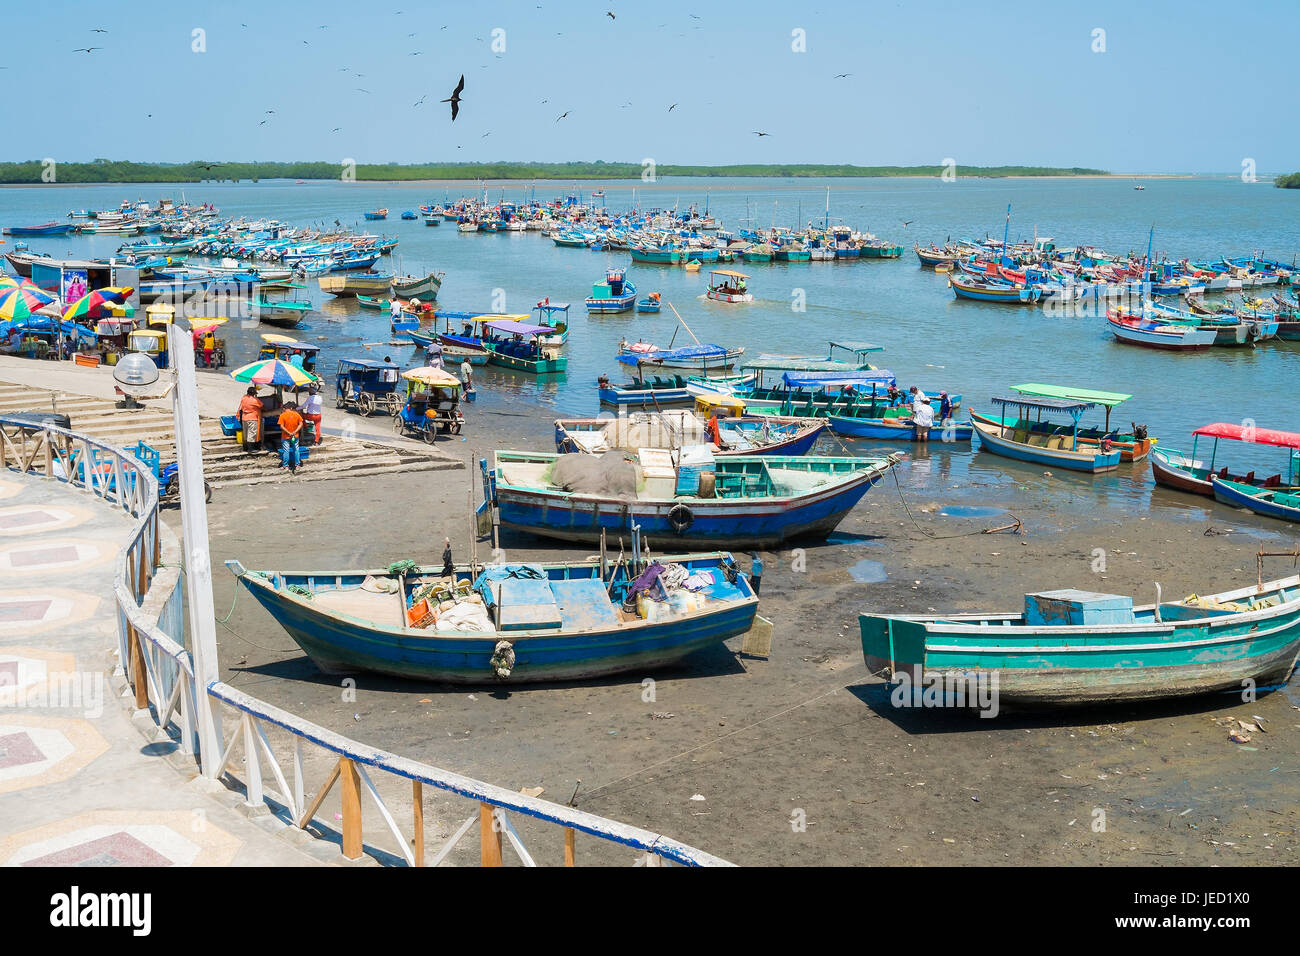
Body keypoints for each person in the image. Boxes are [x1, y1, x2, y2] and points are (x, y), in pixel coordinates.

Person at [278, 401, 305, 471]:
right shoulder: (296, 414)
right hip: (295, 436)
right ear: (291, 408)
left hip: (285, 437)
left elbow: (281, 426)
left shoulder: (282, 415)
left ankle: (286, 466)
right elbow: (301, 423)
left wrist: (288, 432)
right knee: (296, 450)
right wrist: (295, 432)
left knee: (286, 451)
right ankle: (297, 465)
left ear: (284, 408)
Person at [238, 386, 263, 453]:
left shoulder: (244, 398)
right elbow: (261, 405)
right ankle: (251, 449)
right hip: (252, 418)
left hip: (244, 417)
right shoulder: (254, 400)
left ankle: (245, 447)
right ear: (253, 393)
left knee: (246, 433)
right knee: (252, 433)